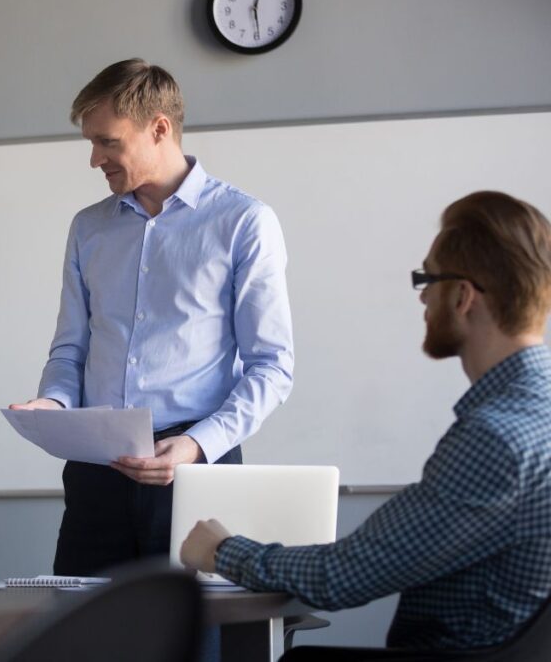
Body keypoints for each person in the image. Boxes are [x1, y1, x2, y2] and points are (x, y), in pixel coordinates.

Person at [181, 191, 551, 655]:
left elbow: (345, 577)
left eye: (427, 278)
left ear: (462, 296)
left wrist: (221, 550)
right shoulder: (536, 413)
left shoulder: (496, 437)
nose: (423, 298)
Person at [10, 59, 294, 576]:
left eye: (107, 142)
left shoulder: (244, 223)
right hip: (97, 472)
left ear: (159, 128)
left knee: (195, 646)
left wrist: (195, 445)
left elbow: (272, 367)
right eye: (91, 144)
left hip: (197, 473)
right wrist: (51, 403)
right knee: (86, 640)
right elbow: (71, 349)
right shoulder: (88, 228)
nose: (94, 159)